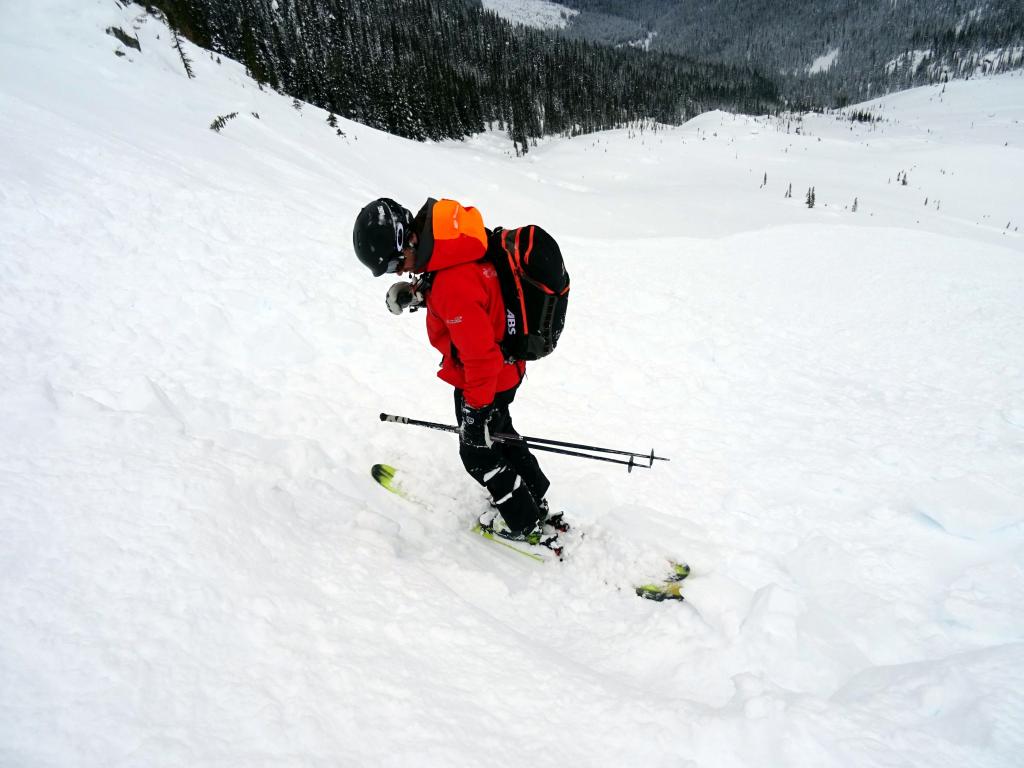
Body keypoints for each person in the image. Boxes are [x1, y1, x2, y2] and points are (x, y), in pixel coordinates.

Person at [353, 197, 565, 545]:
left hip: (486, 378)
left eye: (394, 262)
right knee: (501, 434)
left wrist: (475, 411)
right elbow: (475, 287)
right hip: (507, 368)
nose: (399, 271)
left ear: (408, 239)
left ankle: (522, 522)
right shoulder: (451, 242)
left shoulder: (452, 285)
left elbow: (480, 357)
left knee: (478, 453)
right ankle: (535, 494)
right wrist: (420, 292)